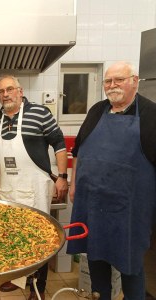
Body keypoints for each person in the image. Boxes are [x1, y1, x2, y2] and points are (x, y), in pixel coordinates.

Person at [67, 61, 156, 300]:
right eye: (108, 81)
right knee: (95, 257)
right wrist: (74, 184)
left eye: (119, 80)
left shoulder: (150, 114)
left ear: (135, 81)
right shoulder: (97, 110)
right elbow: (78, 151)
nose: (112, 85)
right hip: (93, 202)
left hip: (130, 208)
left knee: (131, 264)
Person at [0, 75, 68, 300]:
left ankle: (38, 287)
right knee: (10, 236)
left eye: (9, 89)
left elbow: (59, 143)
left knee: (39, 237)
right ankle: (17, 277)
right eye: (1, 91)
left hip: (33, 187)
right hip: (7, 188)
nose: (5, 94)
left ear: (20, 91)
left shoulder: (40, 113)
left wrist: (62, 177)